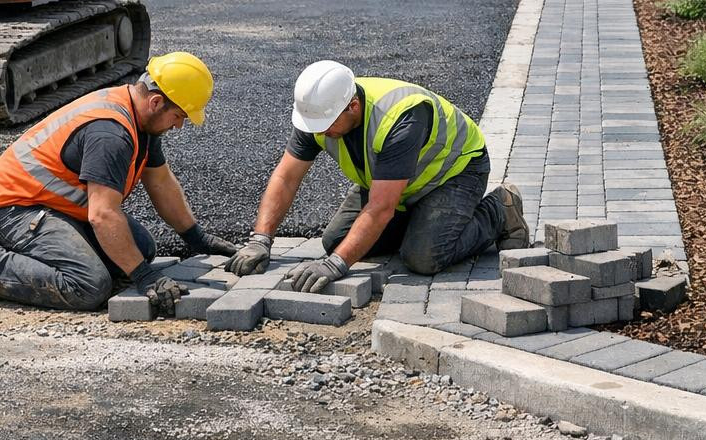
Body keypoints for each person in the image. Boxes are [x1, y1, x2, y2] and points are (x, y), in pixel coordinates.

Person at [0, 52, 238, 315]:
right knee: (88, 285)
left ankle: (20, 247)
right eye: (179, 116)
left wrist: (197, 238)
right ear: (156, 102)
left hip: (52, 205)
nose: (180, 125)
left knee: (142, 248)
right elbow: (103, 215)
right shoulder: (111, 134)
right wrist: (145, 277)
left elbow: (161, 183)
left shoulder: (141, 119)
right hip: (13, 207)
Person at [225, 61, 529, 290]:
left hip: (454, 173)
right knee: (337, 240)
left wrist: (336, 265)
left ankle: (499, 210)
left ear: (353, 106)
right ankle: (423, 222)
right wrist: (260, 240)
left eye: (327, 125)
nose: (321, 132)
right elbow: (286, 178)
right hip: (398, 183)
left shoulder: (400, 117)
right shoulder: (319, 114)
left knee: (423, 257)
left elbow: (382, 207)